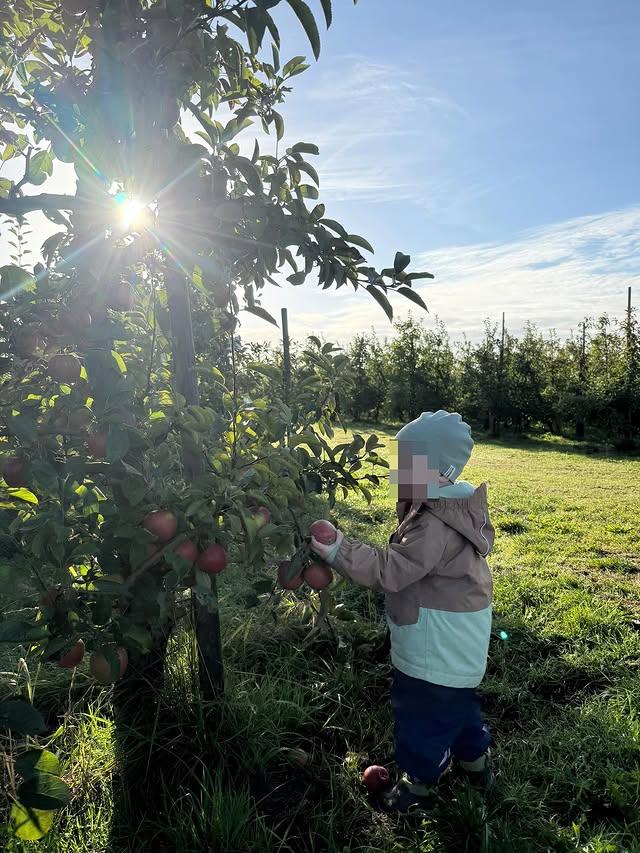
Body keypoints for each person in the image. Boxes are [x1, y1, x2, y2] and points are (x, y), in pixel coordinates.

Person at [310, 410, 496, 813]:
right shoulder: (446, 507)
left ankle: (420, 786)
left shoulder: (434, 524)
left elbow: (391, 570)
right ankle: (475, 763)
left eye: (408, 462)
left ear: (438, 470)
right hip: (456, 643)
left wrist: (339, 550)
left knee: (420, 717)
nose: (399, 470)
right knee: (457, 703)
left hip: (435, 645)